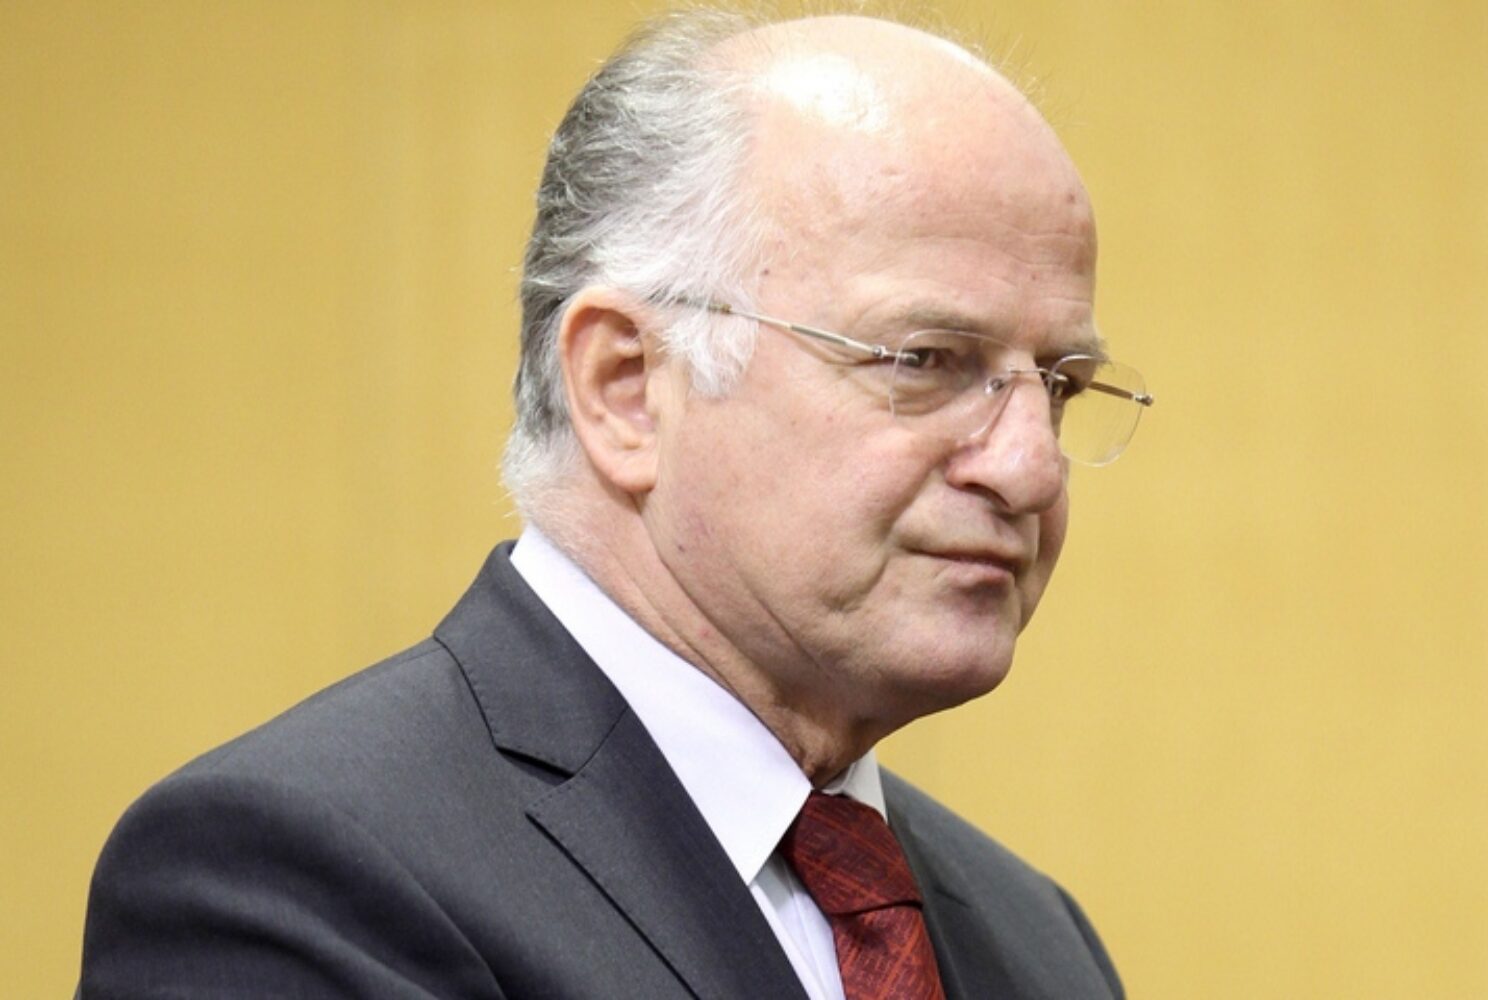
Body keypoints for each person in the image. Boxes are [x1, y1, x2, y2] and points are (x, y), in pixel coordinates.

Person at [79, 8, 1151, 999]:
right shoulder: (290, 875)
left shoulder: (1040, 943)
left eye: (1059, 385)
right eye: (923, 359)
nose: (1030, 470)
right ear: (626, 388)